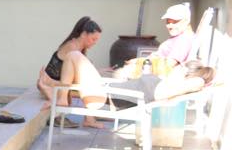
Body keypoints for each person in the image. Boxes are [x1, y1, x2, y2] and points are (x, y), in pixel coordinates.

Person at [40, 54, 214, 125]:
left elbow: (197, 83)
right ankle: (54, 88)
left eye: (181, 67)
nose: (176, 67)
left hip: (105, 99)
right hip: (104, 93)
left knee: (74, 56)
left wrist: (203, 77)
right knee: (75, 62)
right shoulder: (165, 82)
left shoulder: (168, 88)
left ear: (185, 74)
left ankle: (59, 97)